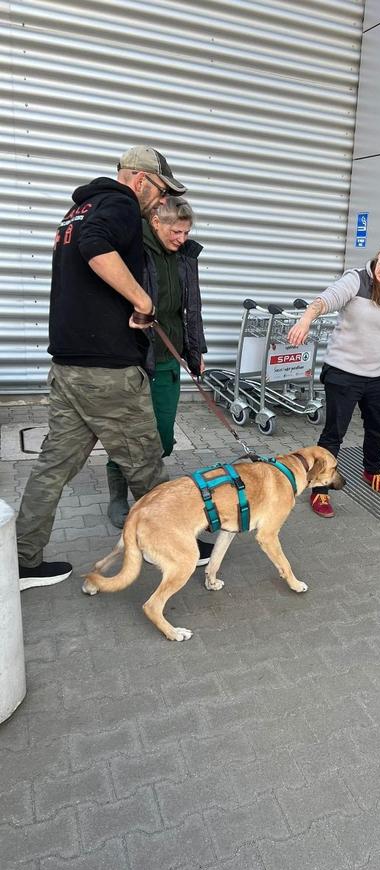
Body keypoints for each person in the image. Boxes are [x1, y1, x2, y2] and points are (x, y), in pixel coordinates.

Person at [16, 146, 187, 591]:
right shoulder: (121, 204)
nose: (160, 201)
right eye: (161, 191)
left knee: (53, 466)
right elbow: (97, 249)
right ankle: (175, 548)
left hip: (69, 366)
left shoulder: (78, 209)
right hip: (107, 372)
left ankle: (20, 561)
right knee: (147, 464)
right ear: (140, 180)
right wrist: (143, 300)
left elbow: (88, 259)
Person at [287, 238, 380, 518]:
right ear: (379, 255)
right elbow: (325, 300)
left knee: (377, 428)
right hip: (343, 372)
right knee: (334, 433)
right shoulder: (355, 280)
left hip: (377, 375)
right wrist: (306, 319)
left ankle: (373, 472)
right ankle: (319, 489)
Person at [106, 196, 208, 529]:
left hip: (168, 357)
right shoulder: (133, 250)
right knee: (127, 436)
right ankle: (120, 497)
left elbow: (192, 308)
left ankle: (148, 490)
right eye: (176, 231)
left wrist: (196, 352)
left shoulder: (184, 258)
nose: (182, 238)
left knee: (162, 434)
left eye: (186, 231)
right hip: (134, 357)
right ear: (156, 223)